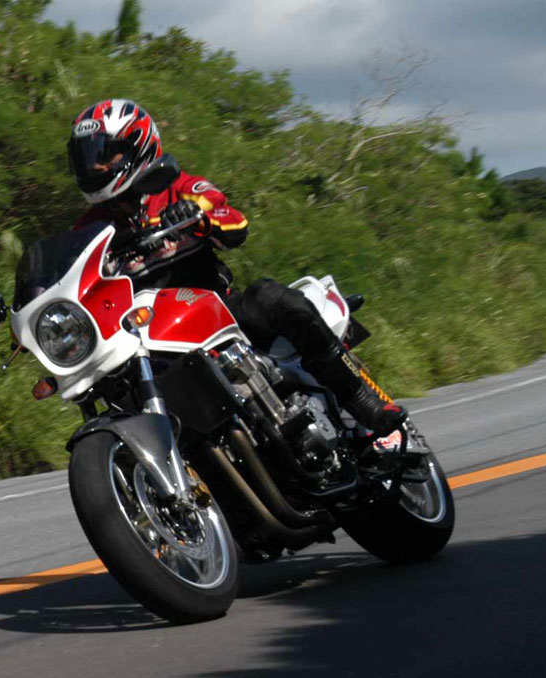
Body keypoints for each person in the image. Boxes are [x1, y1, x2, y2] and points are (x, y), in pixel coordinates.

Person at [67, 98, 406, 436]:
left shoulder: (180, 187)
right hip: (148, 332)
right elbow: (70, 274)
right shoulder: (89, 227)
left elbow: (233, 221)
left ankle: (363, 400)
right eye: (86, 156)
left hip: (216, 310)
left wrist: (198, 218)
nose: (94, 166)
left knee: (274, 298)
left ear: (138, 146)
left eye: (104, 154)